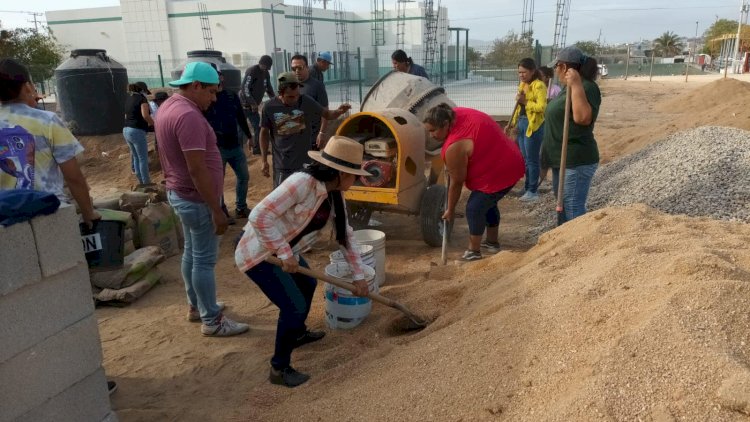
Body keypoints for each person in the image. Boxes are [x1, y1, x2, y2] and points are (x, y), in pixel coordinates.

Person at [0, 57, 114, 393]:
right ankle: (82, 379)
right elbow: (74, 177)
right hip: (49, 221)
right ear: (27, 86)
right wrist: (89, 213)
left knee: (17, 308)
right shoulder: (47, 121)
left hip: (6, 225)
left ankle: (33, 385)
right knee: (66, 302)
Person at [235, 135, 372, 388]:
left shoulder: (334, 194)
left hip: (285, 252)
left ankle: (296, 333)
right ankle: (279, 368)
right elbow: (260, 215)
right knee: (294, 307)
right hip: (261, 253)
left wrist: (359, 276)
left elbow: (346, 236)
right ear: (341, 173)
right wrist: (284, 253)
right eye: (354, 175)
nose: (356, 180)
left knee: (307, 285)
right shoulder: (302, 183)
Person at [156, 61, 249, 337]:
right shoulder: (189, 117)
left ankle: (197, 306)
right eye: (211, 92)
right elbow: (197, 169)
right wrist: (216, 209)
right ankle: (212, 320)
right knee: (204, 261)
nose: (214, 98)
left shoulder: (168, 107)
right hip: (197, 199)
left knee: (192, 254)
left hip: (181, 193)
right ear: (195, 85)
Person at [423, 103, 524, 261]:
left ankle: (474, 251)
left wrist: (450, 209)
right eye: (428, 131)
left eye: (433, 130)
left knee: (475, 208)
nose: (431, 136)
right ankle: (492, 243)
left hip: (502, 168)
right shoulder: (453, 113)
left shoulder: (454, 146)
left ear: (446, 124)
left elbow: (457, 182)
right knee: (487, 203)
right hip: (505, 158)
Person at [541, 46, 601, 223]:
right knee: (563, 205)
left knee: (572, 205)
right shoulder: (566, 88)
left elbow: (582, 118)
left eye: (556, 67)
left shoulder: (586, 87)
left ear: (564, 67)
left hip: (575, 160)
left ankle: (579, 239)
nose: (555, 71)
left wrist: (575, 84)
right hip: (561, 159)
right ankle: (564, 237)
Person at [259, 72, 351, 187]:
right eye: (290, 97)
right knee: (283, 196)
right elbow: (264, 133)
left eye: (297, 95)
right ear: (280, 93)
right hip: (283, 166)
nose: (295, 99)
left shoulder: (305, 101)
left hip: (305, 164)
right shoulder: (269, 107)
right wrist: (264, 160)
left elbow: (327, 114)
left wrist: (339, 111)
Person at [204, 69, 253, 220]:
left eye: (218, 77)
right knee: (218, 181)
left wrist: (249, 136)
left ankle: (241, 208)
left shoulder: (231, 96)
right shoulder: (206, 99)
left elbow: (241, 117)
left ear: (222, 78)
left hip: (235, 146)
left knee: (244, 176)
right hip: (217, 148)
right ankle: (221, 210)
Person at [510, 58, 547, 202]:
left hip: (534, 125)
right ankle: (527, 187)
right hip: (522, 122)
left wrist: (525, 101)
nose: (521, 75)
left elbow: (541, 107)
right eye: (519, 72)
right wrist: (513, 123)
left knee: (532, 160)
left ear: (532, 71)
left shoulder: (539, 86)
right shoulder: (523, 85)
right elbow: (519, 108)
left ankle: (533, 191)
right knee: (525, 159)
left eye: (524, 72)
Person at [291, 54, 330, 150]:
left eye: (300, 68)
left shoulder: (317, 86)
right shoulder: (289, 86)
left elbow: (325, 111)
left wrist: (322, 133)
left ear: (307, 67)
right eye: (294, 68)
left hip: (311, 138)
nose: (297, 71)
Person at [241, 55, 275, 155]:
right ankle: (239, 152)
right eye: (265, 66)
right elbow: (245, 88)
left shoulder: (266, 73)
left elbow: (268, 87)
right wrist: (252, 103)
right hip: (243, 106)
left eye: (268, 68)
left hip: (253, 107)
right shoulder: (252, 71)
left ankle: (257, 149)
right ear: (261, 64)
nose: (266, 69)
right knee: (240, 129)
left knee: (258, 127)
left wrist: (275, 100)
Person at [123, 81, 154, 185]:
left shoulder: (128, 98)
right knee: (143, 158)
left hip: (126, 130)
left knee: (136, 157)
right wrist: (155, 124)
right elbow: (145, 115)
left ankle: (141, 181)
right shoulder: (142, 99)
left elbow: (126, 116)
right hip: (136, 131)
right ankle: (147, 183)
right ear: (142, 90)